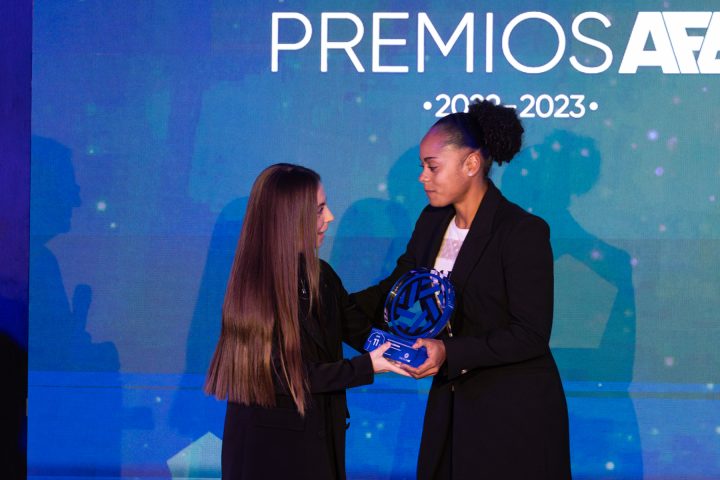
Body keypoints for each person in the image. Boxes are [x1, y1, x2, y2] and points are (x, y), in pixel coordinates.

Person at [352, 101, 572, 479]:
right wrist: (326, 303)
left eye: (432, 167)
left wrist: (448, 352)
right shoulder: (432, 220)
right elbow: (397, 291)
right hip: (451, 404)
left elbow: (530, 334)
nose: (422, 177)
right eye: (422, 166)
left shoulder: (521, 231)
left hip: (515, 412)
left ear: (471, 164)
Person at [204, 163, 406, 480]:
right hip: (270, 456)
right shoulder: (256, 289)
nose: (330, 217)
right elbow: (285, 375)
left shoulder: (321, 275)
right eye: (319, 210)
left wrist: (412, 351)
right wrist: (367, 366)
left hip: (319, 444)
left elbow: (360, 330)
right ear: (290, 218)